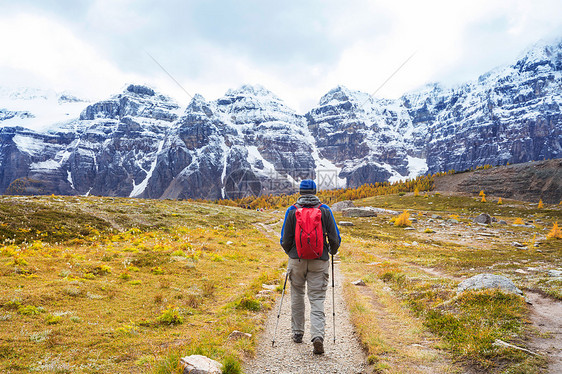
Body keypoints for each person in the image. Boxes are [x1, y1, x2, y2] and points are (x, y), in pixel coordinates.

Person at [280, 179, 341, 354]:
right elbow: (335, 237)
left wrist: (291, 253)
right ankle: (317, 337)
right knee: (317, 298)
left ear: (300, 192)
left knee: (297, 294)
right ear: (315, 191)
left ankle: (298, 333)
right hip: (319, 260)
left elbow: (285, 239)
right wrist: (331, 251)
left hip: (296, 260)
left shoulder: (292, 210)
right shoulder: (325, 210)